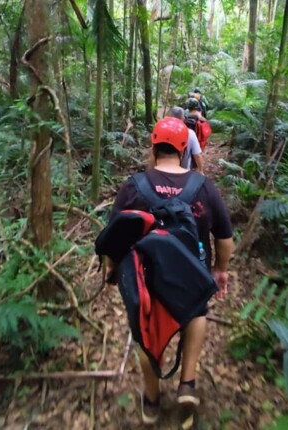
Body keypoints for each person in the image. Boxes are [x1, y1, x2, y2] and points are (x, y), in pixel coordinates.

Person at [108, 117, 234, 428]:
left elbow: (113, 234)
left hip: (147, 276)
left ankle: (151, 401)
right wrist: (219, 270)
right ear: (183, 149)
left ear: (153, 148)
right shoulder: (203, 187)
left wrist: (111, 269)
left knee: (144, 333)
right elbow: (225, 237)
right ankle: (187, 383)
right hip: (192, 272)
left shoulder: (134, 187)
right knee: (195, 313)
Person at [168, 106, 204, 174]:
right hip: (184, 173)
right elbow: (197, 155)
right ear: (183, 118)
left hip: (166, 172)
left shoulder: (163, 132)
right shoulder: (190, 133)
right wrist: (201, 171)